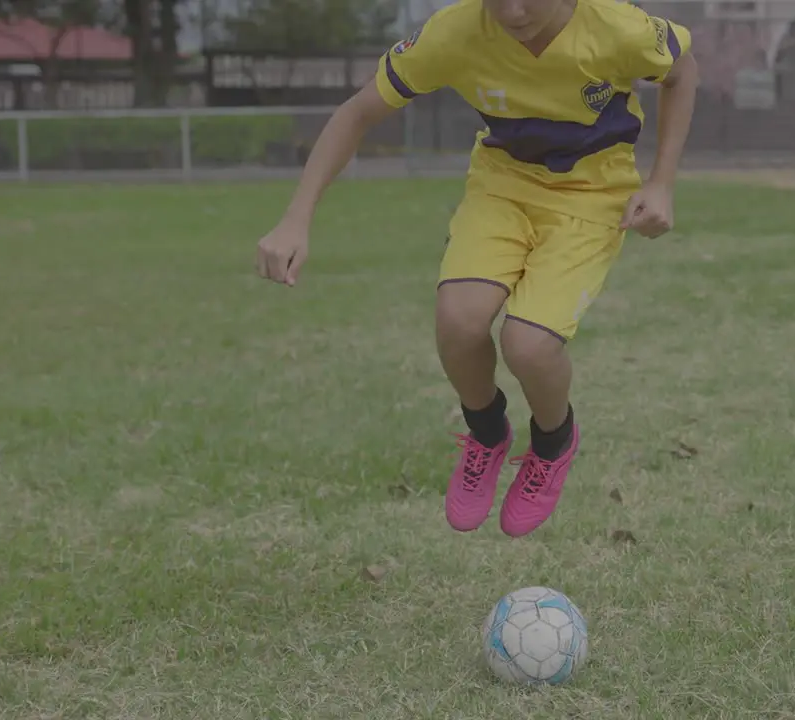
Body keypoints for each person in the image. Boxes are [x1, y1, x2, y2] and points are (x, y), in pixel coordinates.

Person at [255, 0, 698, 537]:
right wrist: (296, 217)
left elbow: (681, 70)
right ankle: (487, 433)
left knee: (529, 345)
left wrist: (662, 181)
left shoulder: (615, 26)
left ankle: (553, 443)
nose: (513, 12)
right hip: (501, 188)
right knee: (459, 322)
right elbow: (357, 112)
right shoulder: (455, 31)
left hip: (591, 196)